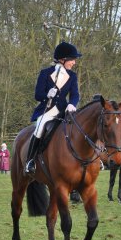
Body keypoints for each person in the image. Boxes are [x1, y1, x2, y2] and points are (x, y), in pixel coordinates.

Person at [25, 41, 82, 174]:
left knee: (78, 128)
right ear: (63, 59)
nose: (74, 62)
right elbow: (38, 95)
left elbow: (75, 94)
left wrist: (72, 104)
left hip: (63, 110)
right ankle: (30, 161)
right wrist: (47, 95)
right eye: (72, 59)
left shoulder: (72, 76)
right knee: (40, 127)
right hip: (47, 110)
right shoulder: (45, 73)